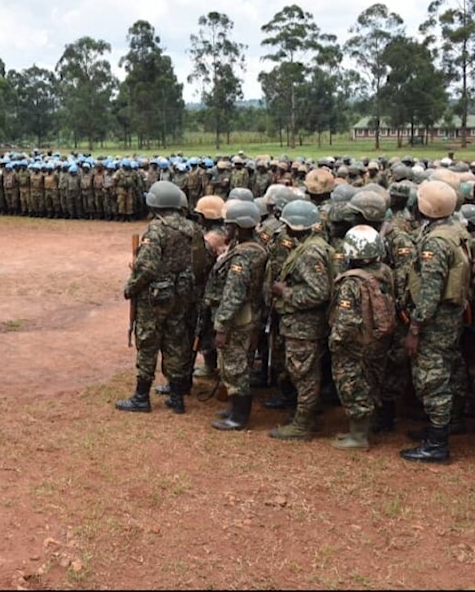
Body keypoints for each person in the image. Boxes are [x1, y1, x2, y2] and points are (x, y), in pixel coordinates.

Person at [116, 180, 204, 414]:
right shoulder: (192, 228)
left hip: (155, 297)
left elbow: (146, 267)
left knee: (147, 341)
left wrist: (131, 287)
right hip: (182, 294)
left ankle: (141, 397)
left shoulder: (156, 229)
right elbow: (200, 263)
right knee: (176, 341)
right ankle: (177, 397)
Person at [400, 180, 471, 463]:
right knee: (448, 368)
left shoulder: (435, 242)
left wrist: (415, 328)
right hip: (450, 316)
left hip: (435, 319)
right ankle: (444, 424)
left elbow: (430, 290)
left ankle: (437, 444)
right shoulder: (454, 230)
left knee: (432, 377)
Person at [269, 199, 333, 440]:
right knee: (304, 371)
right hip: (303, 323)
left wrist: (284, 292)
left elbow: (318, 292)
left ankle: (303, 424)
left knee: (304, 373)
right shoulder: (311, 245)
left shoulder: (310, 252)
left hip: (304, 324)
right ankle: (305, 416)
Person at [327, 225, 395, 449]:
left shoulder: (351, 282)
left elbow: (346, 321)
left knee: (352, 385)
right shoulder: (385, 272)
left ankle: (358, 437)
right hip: (378, 339)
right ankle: (364, 429)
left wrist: (335, 341)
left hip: (355, 344)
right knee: (371, 382)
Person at [208, 200, 268, 430]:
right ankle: (234, 407)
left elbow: (234, 294)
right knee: (240, 362)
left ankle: (239, 417)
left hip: (239, 318)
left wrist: (221, 325)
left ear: (240, 226)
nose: (226, 229)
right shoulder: (254, 247)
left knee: (236, 365)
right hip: (250, 313)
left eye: (229, 225)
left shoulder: (243, 257)